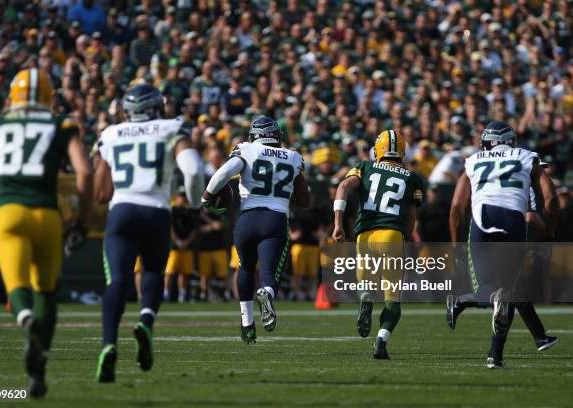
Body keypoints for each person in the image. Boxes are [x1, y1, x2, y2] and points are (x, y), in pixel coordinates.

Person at [0, 68, 93, 398]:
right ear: (48, 97)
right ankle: (40, 366)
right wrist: (80, 218)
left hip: (9, 210)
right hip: (47, 213)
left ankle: (26, 322)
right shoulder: (60, 125)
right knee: (46, 291)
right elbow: (84, 172)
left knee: (18, 286)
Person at [93, 84, 203, 382]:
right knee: (153, 271)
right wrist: (193, 209)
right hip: (156, 210)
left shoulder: (111, 133)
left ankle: (109, 345)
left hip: (123, 211)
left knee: (117, 280)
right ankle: (145, 320)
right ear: (156, 105)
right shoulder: (172, 127)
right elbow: (193, 170)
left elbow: (101, 193)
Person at [449, 121, 554, 368]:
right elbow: (550, 199)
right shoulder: (527, 157)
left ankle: (499, 348)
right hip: (513, 219)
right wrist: (548, 235)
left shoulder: (474, 160)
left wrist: (455, 247)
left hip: (482, 219)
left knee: (494, 291)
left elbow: (456, 208)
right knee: (506, 292)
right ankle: (496, 352)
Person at [202, 116, 309, 343]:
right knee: (270, 274)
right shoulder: (293, 156)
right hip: (275, 218)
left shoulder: (246, 149)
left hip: (247, 218)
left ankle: (246, 324)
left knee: (245, 268)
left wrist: (207, 197)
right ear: (277, 136)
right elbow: (305, 200)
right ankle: (267, 293)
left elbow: (223, 172)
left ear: (254, 135)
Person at [332, 129, 424, 359]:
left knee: (367, 283)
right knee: (393, 294)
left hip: (365, 234)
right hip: (392, 234)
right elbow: (412, 217)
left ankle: (365, 295)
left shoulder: (364, 167)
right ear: (402, 151)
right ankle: (382, 338)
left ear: (378, 149)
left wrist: (338, 224)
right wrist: (408, 237)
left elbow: (343, 187)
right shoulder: (412, 177)